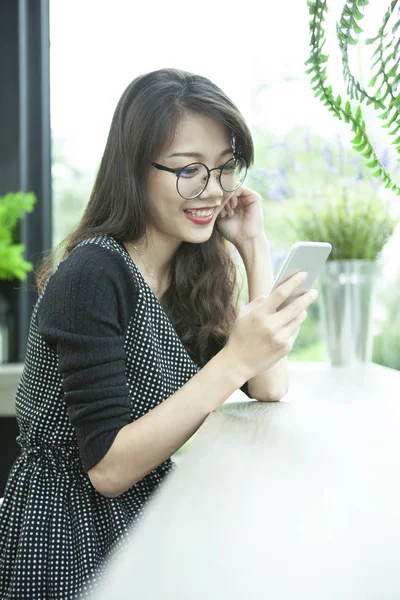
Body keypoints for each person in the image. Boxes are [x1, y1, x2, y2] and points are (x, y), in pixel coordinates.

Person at [0, 68, 317, 599]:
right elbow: (106, 468)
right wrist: (234, 359)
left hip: (142, 516)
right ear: (134, 169)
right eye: (188, 170)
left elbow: (268, 386)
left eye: (224, 168)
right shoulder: (93, 274)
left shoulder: (195, 270)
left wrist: (254, 247)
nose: (212, 191)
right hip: (63, 533)